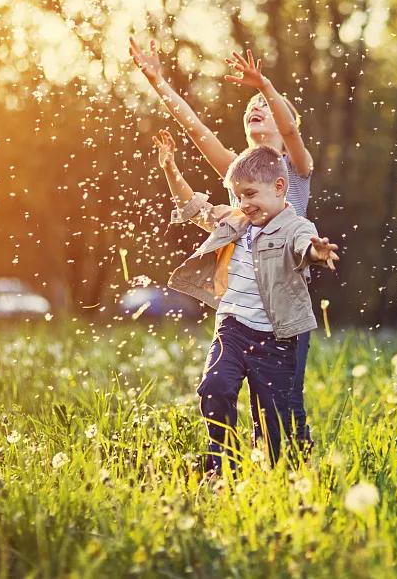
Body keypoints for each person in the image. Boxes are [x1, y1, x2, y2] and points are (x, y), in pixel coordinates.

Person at [131, 37, 317, 448]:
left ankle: (295, 469)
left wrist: (264, 87)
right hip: (242, 305)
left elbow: (289, 127)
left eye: (266, 108)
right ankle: (232, 463)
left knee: (285, 407)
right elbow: (196, 130)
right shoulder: (239, 174)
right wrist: (159, 81)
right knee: (223, 385)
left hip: (284, 310)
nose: (256, 108)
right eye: (251, 106)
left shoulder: (296, 168)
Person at [152, 132, 338, 475]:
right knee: (214, 386)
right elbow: (193, 207)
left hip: (277, 340)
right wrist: (170, 168)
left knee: (273, 424)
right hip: (232, 329)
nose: (245, 203)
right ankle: (221, 464)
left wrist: (316, 252)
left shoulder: (296, 226)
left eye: (251, 194)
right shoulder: (236, 221)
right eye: (239, 196)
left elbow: (303, 246)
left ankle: (278, 476)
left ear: (279, 187)